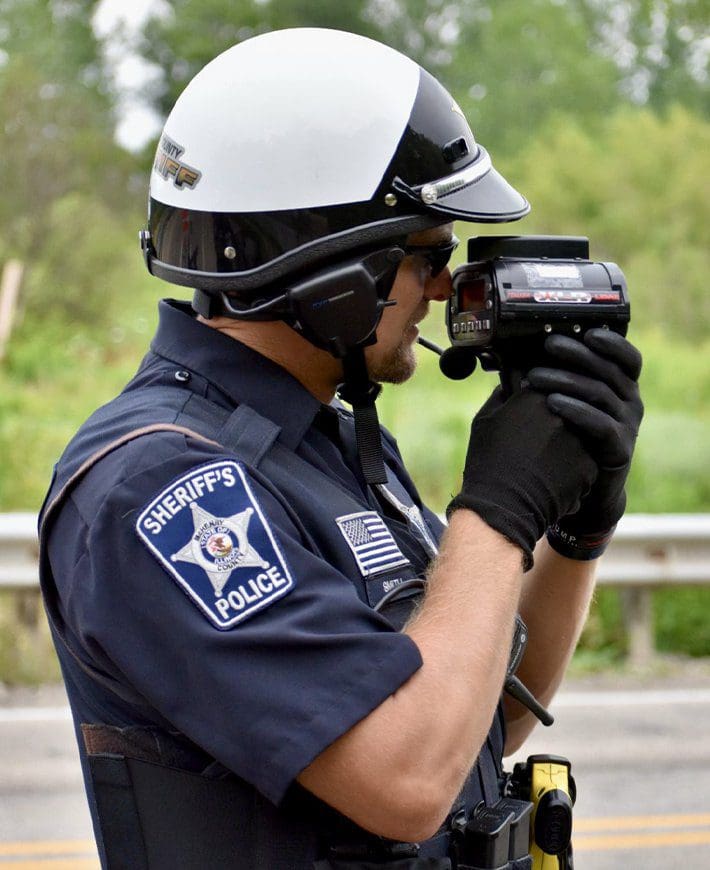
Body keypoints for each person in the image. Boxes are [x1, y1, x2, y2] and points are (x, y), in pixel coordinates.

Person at [38, 27, 643, 870]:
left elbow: (484, 719)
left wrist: (576, 528)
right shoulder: (161, 491)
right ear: (330, 265)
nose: (443, 286)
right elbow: (407, 779)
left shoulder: (327, 446)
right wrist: (498, 509)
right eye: (426, 254)